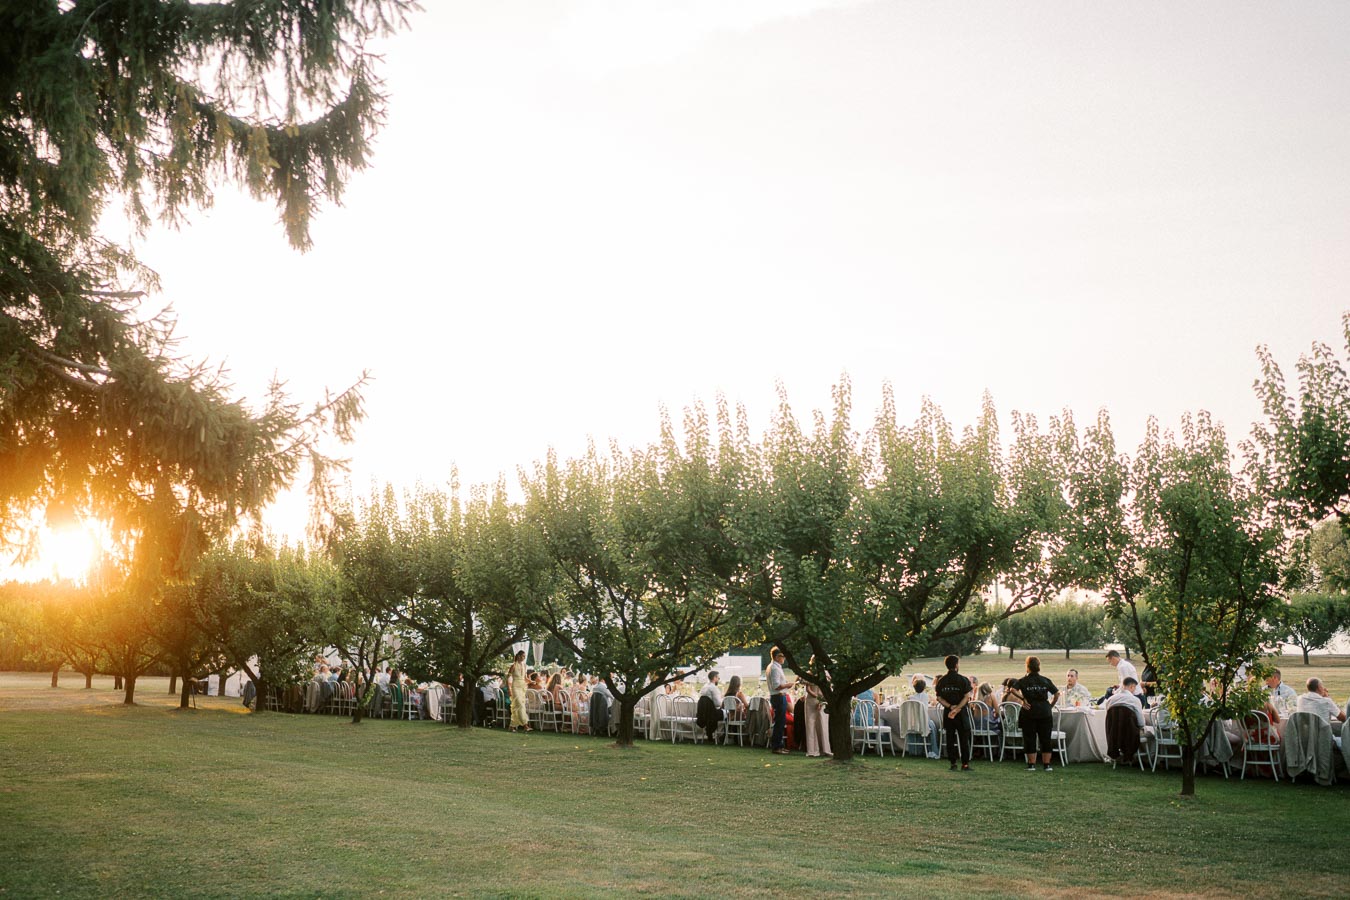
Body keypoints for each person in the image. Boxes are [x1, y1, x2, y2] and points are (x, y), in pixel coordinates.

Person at [1012, 656, 1060, 772]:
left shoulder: (1023, 681)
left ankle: (1031, 765)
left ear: (1027, 667)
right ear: (1039, 667)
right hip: (1044, 711)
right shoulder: (1045, 680)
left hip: (1029, 711)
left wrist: (1023, 699)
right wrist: (1050, 705)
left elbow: (1012, 690)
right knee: (1045, 738)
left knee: (1030, 738)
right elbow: (1057, 693)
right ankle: (1047, 765)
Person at [935, 655, 973, 771]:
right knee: (963, 739)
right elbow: (967, 697)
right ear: (956, 665)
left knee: (950, 739)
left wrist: (951, 707)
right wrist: (958, 708)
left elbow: (939, 698)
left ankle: (953, 763)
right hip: (961, 713)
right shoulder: (963, 680)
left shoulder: (942, 681)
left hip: (948, 713)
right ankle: (965, 764)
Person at [766, 647, 794, 754]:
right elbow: (776, 685)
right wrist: (788, 684)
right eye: (783, 656)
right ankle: (777, 746)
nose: (784, 658)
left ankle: (780, 745)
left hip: (779, 696)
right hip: (778, 696)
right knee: (779, 722)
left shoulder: (775, 667)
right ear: (777, 657)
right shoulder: (774, 668)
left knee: (780, 722)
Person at [697, 672, 726, 744]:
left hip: (703, 714)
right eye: (718, 678)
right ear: (714, 678)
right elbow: (718, 704)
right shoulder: (714, 688)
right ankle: (725, 736)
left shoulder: (704, 687)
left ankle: (710, 733)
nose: (718, 680)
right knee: (728, 713)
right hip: (712, 714)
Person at [507, 650, 531, 732]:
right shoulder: (513, 665)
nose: (522, 658)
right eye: (521, 656)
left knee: (518, 706)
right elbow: (508, 678)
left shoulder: (525, 666)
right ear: (518, 656)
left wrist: (531, 681)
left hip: (522, 687)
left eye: (524, 656)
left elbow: (525, 677)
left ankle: (512, 726)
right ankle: (525, 725)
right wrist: (509, 689)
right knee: (520, 705)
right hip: (515, 687)